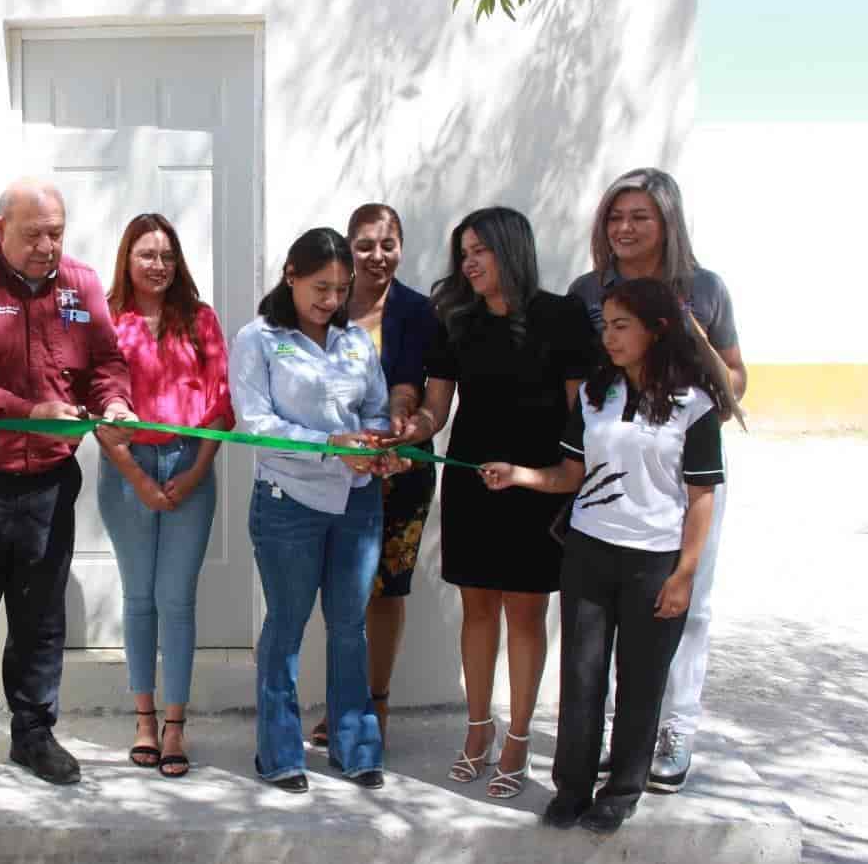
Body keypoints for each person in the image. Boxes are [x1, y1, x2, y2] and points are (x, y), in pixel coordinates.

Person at [481, 277, 731, 833]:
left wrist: (685, 573)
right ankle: (571, 788)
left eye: (622, 327)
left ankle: (621, 791)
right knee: (583, 675)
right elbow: (571, 474)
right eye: (607, 326)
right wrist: (518, 474)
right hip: (590, 553)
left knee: (641, 681)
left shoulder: (695, 406)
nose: (610, 338)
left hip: (656, 562)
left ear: (657, 330)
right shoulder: (597, 394)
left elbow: (701, 497)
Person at [0, 178, 136, 796]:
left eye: (56, 232)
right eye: (32, 233)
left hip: (47, 479)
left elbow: (104, 364)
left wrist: (115, 402)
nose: (47, 246)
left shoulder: (83, 284)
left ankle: (35, 734)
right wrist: (31, 408)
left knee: (41, 616)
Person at [405, 207, 596, 799]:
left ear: (512, 250)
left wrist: (547, 476)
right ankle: (477, 729)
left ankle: (518, 739)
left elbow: (578, 413)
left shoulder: (561, 317)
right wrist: (409, 429)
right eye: (463, 251)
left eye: (480, 249)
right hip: (472, 482)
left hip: (536, 487)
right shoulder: (454, 320)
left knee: (525, 613)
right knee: (478, 608)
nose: (470, 261)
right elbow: (437, 409)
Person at [567, 167, 746, 792]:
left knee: (685, 603)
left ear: (667, 222)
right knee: (612, 614)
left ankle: (676, 730)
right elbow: (577, 377)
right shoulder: (589, 290)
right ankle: (627, 736)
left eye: (639, 216)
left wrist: (702, 389)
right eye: (615, 216)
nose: (624, 227)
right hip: (612, 469)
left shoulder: (704, 289)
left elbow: (734, 377)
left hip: (679, 466)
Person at [230, 226, 403, 793]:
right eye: (320, 288)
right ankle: (279, 753)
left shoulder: (356, 341)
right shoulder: (257, 339)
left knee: (349, 626)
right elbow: (256, 424)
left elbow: (376, 407)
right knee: (286, 625)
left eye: (340, 289)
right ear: (291, 276)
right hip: (289, 502)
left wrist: (377, 446)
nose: (331, 301)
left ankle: (356, 748)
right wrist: (332, 446)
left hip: (357, 503)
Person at [97, 214, 232, 779]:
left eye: (167, 255)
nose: (158, 264)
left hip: (190, 463)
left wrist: (196, 471)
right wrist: (137, 477)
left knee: (177, 599)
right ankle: (144, 718)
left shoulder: (200, 319)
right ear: (128, 258)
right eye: (147, 254)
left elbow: (221, 404)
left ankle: (175, 725)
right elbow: (96, 407)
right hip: (127, 468)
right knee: (139, 598)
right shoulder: (107, 318)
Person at [309, 203, 440, 748]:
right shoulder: (326, 304)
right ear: (348, 247)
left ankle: (374, 705)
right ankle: (343, 701)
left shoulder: (418, 310)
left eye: (387, 244)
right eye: (365, 244)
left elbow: (418, 389)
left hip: (402, 468)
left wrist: (398, 429)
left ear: (401, 248)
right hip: (336, 468)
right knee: (341, 592)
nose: (376, 256)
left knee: (385, 591)